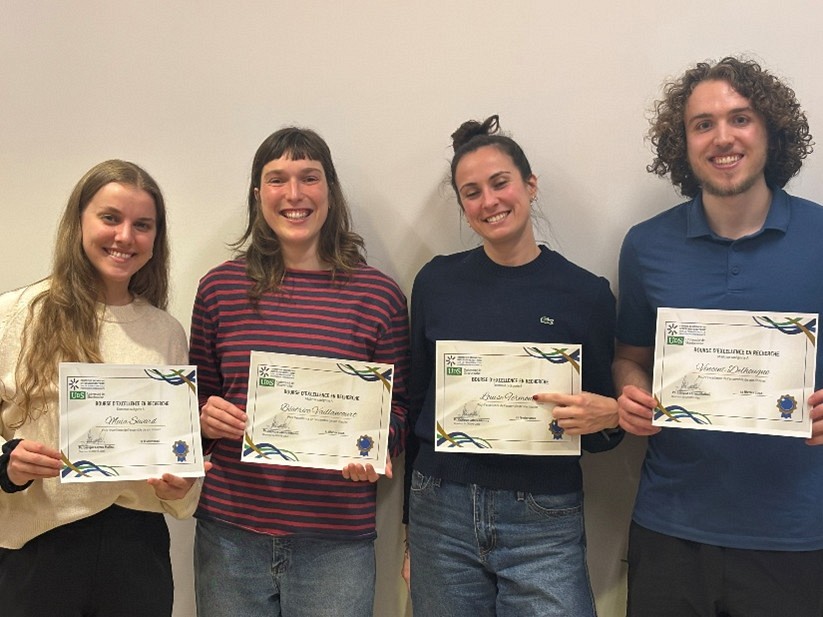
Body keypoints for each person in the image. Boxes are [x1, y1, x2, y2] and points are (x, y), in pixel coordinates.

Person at [614, 56, 823, 617]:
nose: (722, 138)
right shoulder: (646, 246)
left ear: (770, 131)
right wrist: (631, 391)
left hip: (796, 533)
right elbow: (629, 356)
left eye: (740, 118)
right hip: (670, 527)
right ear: (682, 143)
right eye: (702, 124)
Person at [403, 115, 623, 617]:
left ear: (530, 185)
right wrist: (411, 534)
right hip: (441, 510)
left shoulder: (586, 294)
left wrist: (608, 417)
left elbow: (602, 431)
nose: (489, 201)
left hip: (543, 515)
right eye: (472, 192)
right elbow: (417, 403)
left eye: (500, 183)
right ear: (463, 206)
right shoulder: (436, 283)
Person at [190, 127, 410, 617]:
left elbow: (398, 410)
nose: (294, 194)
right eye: (277, 179)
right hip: (231, 535)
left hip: (336, 540)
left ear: (330, 190)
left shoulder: (379, 296)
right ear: (257, 195)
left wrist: (375, 446)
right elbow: (193, 404)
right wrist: (204, 419)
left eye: (309, 177)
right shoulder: (219, 289)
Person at [0, 160, 203, 616]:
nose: (125, 236)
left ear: (156, 237)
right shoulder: (15, 314)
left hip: (137, 551)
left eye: (142, 225)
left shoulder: (166, 332)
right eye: (110, 218)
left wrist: (181, 486)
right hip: (37, 546)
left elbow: (180, 459)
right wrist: (7, 463)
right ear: (78, 221)